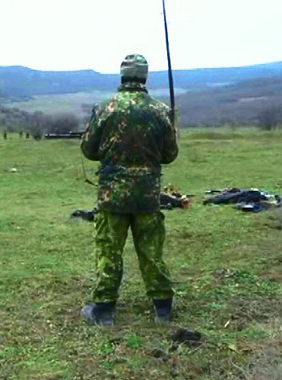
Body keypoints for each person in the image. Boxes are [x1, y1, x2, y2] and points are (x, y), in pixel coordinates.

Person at [80, 54, 179, 325]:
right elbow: (170, 155)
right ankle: (162, 308)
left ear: (122, 76)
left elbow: (88, 150)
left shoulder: (105, 108)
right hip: (148, 195)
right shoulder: (160, 110)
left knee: (109, 251)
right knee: (151, 250)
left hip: (112, 196)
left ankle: (103, 309)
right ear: (145, 77)